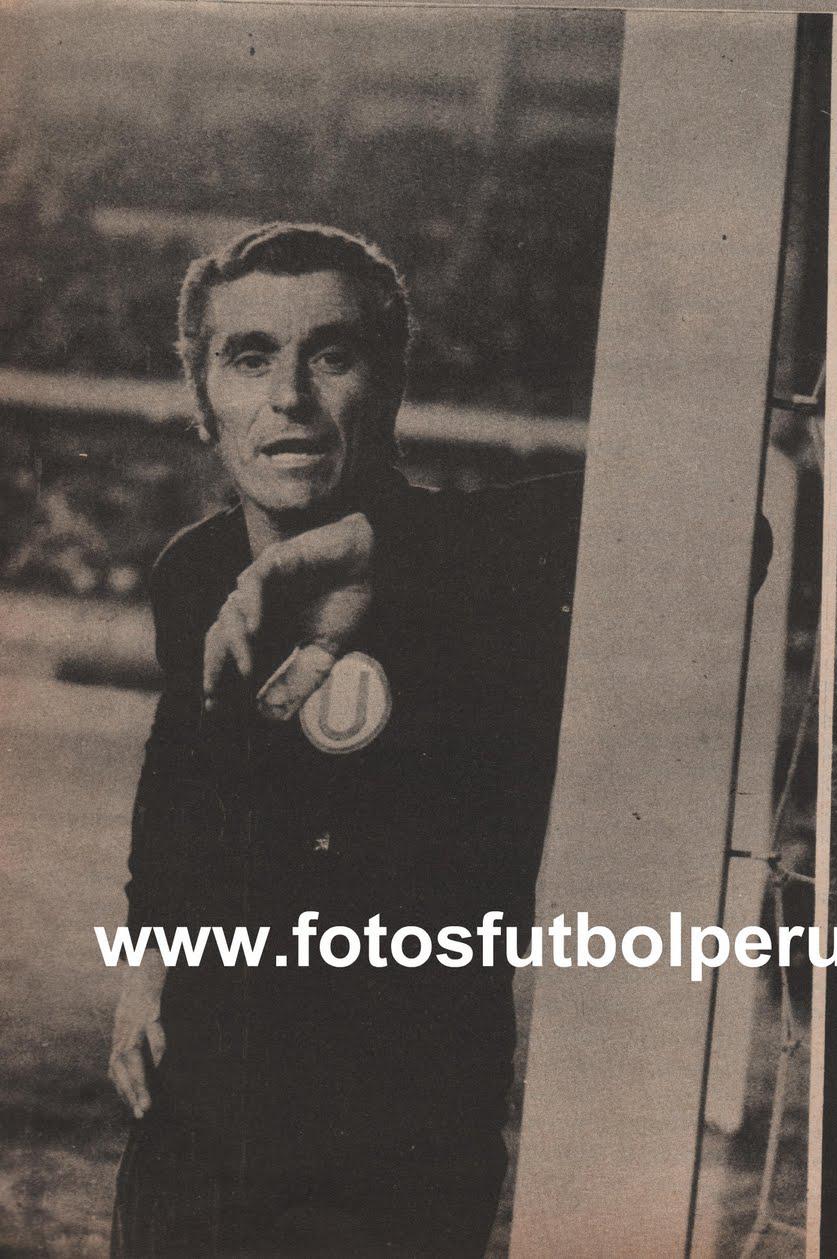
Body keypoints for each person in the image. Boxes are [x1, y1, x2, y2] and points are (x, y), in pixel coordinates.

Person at [106, 223, 584, 1256]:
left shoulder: (487, 575)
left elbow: (731, 528)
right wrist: (147, 952)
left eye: (331, 354)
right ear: (203, 397)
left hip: (396, 1124)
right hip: (202, 1100)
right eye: (249, 356)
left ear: (391, 381)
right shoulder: (194, 575)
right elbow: (179, 762)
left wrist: (394, 548)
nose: (289, 396)